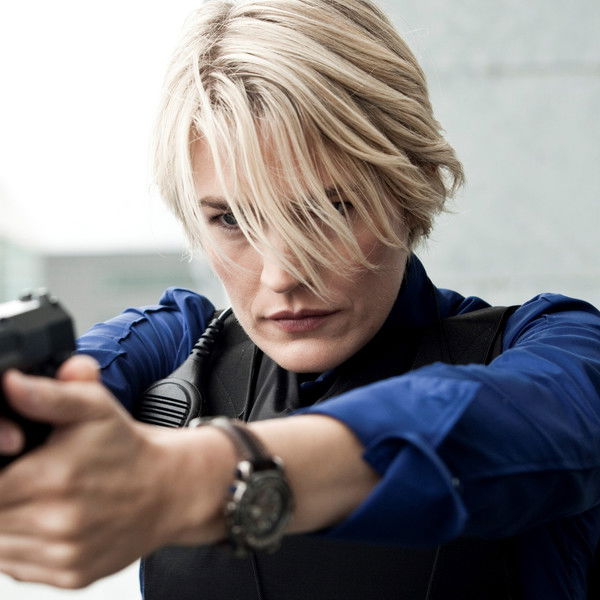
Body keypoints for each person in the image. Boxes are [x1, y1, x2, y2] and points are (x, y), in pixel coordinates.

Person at [1, 0, 600, 598]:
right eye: (232, 219)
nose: (282, 275)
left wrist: (194, 478)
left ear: (408, 185)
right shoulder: (181, 345)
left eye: (327, 210)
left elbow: (502, 422)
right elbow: (69, 387)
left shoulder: (559, 347)